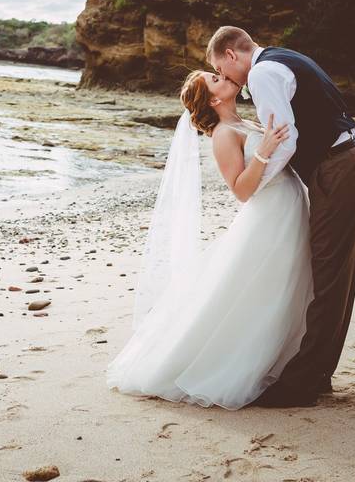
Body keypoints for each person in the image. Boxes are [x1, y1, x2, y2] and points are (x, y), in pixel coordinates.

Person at [105, 69, 315, 410]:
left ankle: (285, 362)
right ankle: (241, 366)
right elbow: (241, 190)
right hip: (268, 217)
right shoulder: (222, 134)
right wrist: (262, 152)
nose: (223, 77)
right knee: (265, 293)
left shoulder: (245, 122)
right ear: (214, 100)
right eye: (215, 79)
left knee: (284, 289)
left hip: (286, 211)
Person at [207, 26, 355, 407]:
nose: (230, 79)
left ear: (232, 55)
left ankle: (301, 383)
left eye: (223, 68)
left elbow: (287, 138)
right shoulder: (285, 57)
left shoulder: (264, 72)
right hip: (353, 159)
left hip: (338, 167)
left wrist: (261, 186)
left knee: (329, 276)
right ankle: (317, 374)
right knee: (338, 276)